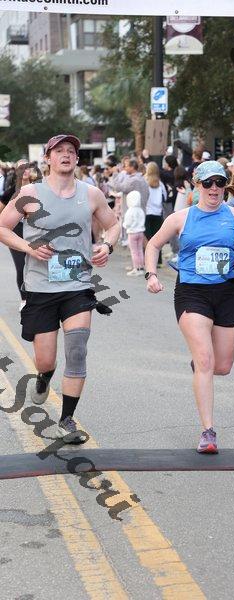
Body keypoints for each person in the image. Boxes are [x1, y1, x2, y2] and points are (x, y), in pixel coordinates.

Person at [0, 134, 120, 443]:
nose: (65, 155)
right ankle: (44, 376)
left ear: (77, 159)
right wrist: (28, 246)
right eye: (59, 151)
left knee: (77, 350)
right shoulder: (30, 193)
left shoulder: (91, 194)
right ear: (48, 158)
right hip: (40, 287)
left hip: (78, 284)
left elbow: (114, 224)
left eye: (71, 151)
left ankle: (67, 420)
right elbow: (2, 226)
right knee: (45, 359)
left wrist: (106, 245)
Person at [144, 160, 234, 453]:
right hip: (192, 293)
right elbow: (153, 245)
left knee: (221, 366)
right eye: (208, 183)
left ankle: (202, 366)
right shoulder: (181, 218)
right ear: (197, 185)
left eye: (219, 183)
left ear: (225, 185)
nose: (214, 188)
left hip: (228, 293)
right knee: (206, 360)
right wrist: (151, 274)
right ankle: (208, 431)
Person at [0, 160, 42, 310]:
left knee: (37, 266)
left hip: (35, 233)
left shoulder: (39, 189)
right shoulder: (11, 191)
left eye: (27, 168)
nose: (24, 170)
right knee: (21, 266)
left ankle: (39, 297)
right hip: (16, 233)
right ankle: (24, 299)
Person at [145, 161, 167, 266]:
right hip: (158, 213)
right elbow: (165, 197)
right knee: (158, 238)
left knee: (148, 238)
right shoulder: (160, 183)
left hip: (147, 212)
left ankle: (148, 261)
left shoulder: (145, 182)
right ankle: (159, 261)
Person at [123, 190, 145, 276]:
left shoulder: (130, 211)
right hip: (141, 232)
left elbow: (127, 223)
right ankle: (141, 267)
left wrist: (124, 225)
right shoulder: (140, 210)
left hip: (132, 233)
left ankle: (136, 268)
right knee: (140, 250)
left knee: (134, 251)